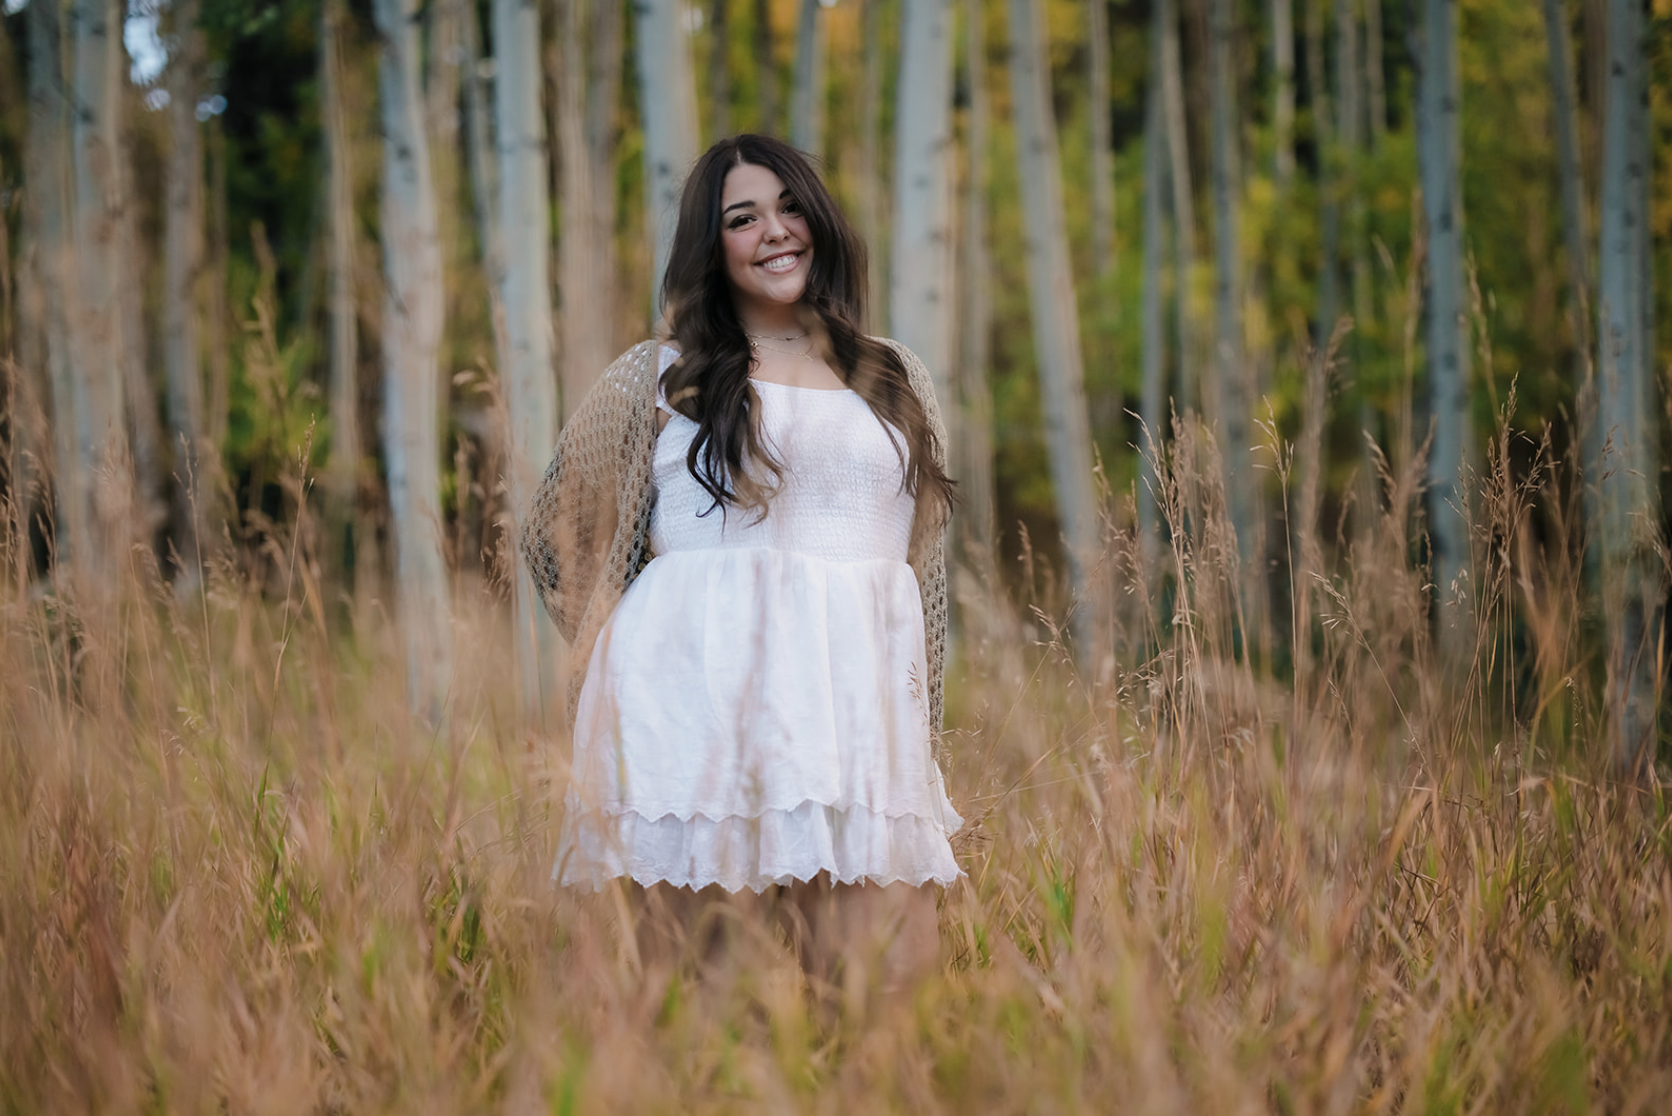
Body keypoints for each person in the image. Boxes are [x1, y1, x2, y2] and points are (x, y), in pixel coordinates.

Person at [521, 134, 962, 986]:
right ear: (710, 246)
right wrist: (629, 650)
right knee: (701, 1009)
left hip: (855, 727)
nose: (775, 231)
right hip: (688, 726)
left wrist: (918, 724)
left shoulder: (893, 376)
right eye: (742, 217)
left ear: (821, 219)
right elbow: (552, 535)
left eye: (790, 206)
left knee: (886, 997)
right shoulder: (660, 375)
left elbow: (921, 573)